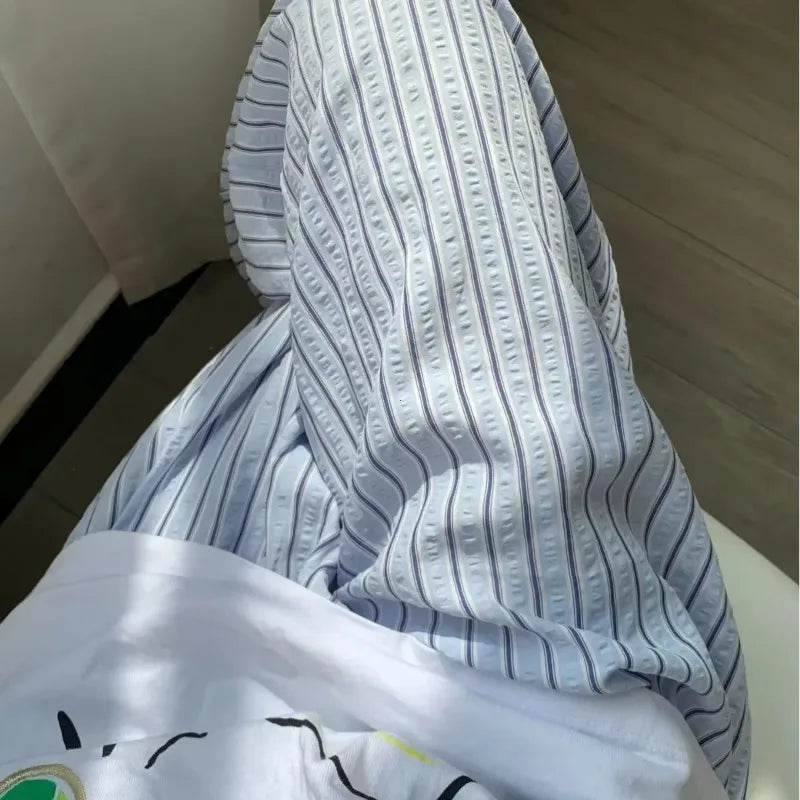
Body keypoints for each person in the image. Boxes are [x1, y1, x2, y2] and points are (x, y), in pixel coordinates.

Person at [0, 1, 749, 798]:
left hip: (93, 665)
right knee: (399, 23)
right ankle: (302, 273)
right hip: (532, 719)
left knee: (307, 337)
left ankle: (306, 281)